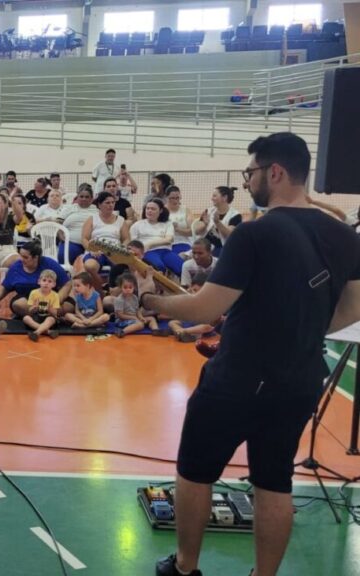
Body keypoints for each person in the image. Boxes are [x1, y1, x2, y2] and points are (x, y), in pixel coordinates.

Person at [145, 132, 360, 576]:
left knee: (195, 472)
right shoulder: (346, 236)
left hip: (237, 378)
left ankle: (185, 568)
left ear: (275, 172)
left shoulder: (253, 234)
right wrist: (302, 330)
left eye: (251, 173)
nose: (248, 182)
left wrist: (155, 303)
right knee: (274, 481)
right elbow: (354, 307)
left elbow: (206, 306)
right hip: (301, 378)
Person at [0, 240, 71, 318]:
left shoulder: (50, 264)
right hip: (28, 300)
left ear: (35, 257)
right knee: (19, 304)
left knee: (68, 306)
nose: (21, 259)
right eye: (20, 255)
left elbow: (67, 284)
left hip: (49, 296)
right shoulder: (16, 267)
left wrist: (56, 301)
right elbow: (5, 286)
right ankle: (48, 317)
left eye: (25, 257)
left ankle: (41, 317)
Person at [168, 272, 218, 343]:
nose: (196, 294)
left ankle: (182, 332)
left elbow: (208, 327)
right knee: (172, 322)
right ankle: (181, 333)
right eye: (195, 290)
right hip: (192, 325)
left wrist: (185, 330)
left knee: (206, 327)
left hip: (205, 329)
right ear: (191, 288)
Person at [194, 186, 242, 257]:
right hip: (204, 246)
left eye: (215, 196)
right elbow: (197, 231)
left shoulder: (235, 215)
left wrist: (217, 222)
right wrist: (205, 224)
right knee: (183, 256)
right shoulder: (209, 211)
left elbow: (230, 235)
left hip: (222, 248)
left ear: (224, 198)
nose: (212, 198)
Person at [129, 198, 174, 272]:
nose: (149, 211)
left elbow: (169, 239)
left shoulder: (167, 223)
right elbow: (134, 244)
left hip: (166, 251)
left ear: (161, 211)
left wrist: (150, 243)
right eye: (147, 208)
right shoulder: (137, 225)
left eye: (153, 209)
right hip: (148, 252)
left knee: (182, 267)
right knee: (159, 267)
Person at [59, 185, 98, 263]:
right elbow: (58, 222)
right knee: (63, 256)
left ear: (91, 199)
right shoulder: (70, 208)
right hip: (71, 242)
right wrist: (59, 234)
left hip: (92, 244)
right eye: (81, 196)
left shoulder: (96, 210)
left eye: (87, 197)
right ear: (77, 197)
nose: (84, 199)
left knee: (94, 260)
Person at [112, 273, 157, 337]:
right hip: (121, 321)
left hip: (133, 318)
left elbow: (137, 310)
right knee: (140, 325)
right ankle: (122, 332)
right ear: (120, 287)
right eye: (125, 287)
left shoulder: (134, 297)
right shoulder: (119, 299)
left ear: (134, 287)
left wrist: (141, 317)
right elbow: (120, 315)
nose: (128, 289)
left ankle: (156, 330)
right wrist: (134, 317)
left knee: (151, 318)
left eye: (130, 287)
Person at [163, 185, 194, 276]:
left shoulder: (185, 210)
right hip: (167, 243)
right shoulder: (162, 211)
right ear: (166, 197)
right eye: (172, 198)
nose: (175, 200)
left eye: (177, 198)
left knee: (182, 257)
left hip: (183, 242)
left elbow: (191, 231)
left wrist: (177, 229)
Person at [23, 269, 60, 341]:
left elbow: (55, 313)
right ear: (39, 281)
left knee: (51, 319)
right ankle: (48, 332)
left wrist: (49, 308)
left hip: (48, 318)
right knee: (26, 318)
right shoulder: (33, 293)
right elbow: (29, 310)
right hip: (37, 317)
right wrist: (34, 307)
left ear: (54, 284)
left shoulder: (55, 295)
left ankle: (37, 332)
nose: (46, 283)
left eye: (50, 281)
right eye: (44, 280)